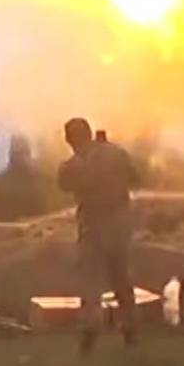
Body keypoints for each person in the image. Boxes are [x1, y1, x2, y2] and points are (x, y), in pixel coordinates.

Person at [56, 118, 140, 351]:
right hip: (119, 222)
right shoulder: (116, 153)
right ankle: (130, 331)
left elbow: (63, 183)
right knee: (121, 279)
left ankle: (90, 334)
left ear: (71, 139)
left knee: (91, 282)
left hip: (93, 224)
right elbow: (135, 177)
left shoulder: (74, 165)